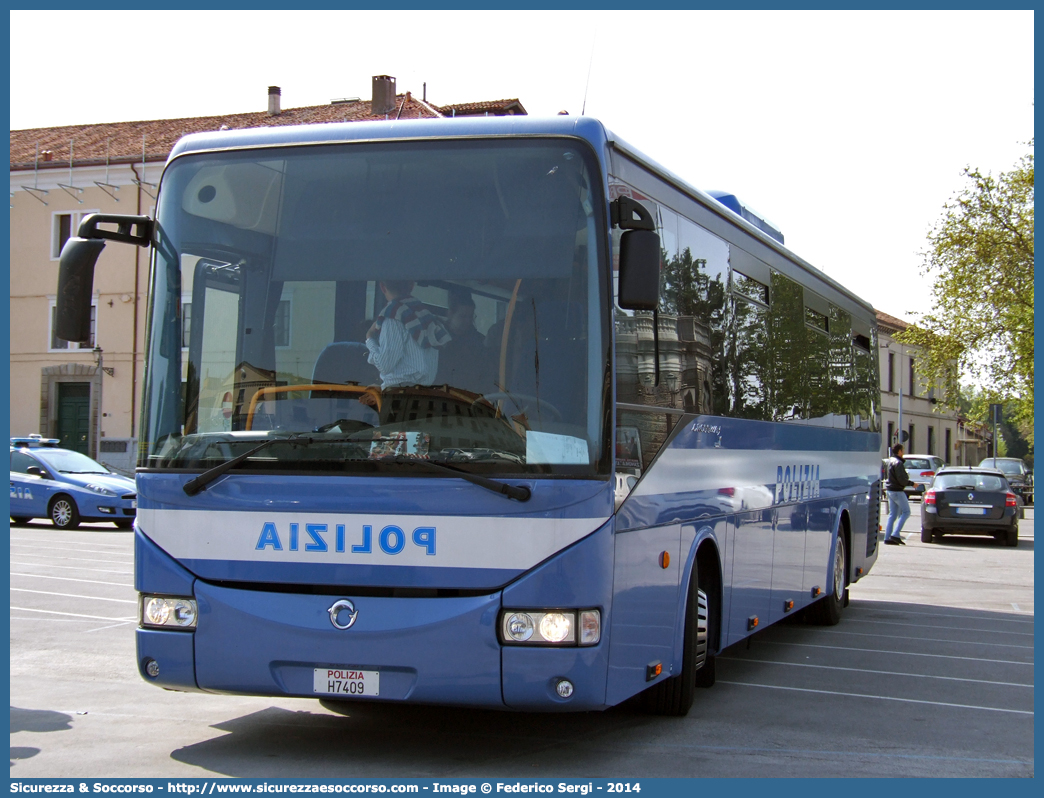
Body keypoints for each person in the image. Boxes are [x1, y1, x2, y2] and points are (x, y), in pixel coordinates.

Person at [365, 280, 451, 389]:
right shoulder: (426, 315)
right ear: (412, 286)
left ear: (382, 287)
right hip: (425, 393)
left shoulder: (393, 316)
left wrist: (370, 338)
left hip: (400, 397)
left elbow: (385, 365)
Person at [436, 287, 489, 392]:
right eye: (463, 316)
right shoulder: (436, 338)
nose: (467, 321)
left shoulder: (478, 342)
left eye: (470, 317)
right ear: (450, 313)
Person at [884, 443, 914, 545]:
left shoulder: (890, 461)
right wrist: (911, 483)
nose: (903, 452)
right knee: (906, 512)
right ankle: (895, 534)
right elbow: (901, 479)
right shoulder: (898, 463)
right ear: (899, 451)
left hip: (889, 489)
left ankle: (887, 537)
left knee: (892, 514)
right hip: (897, 490)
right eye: (903, 450)